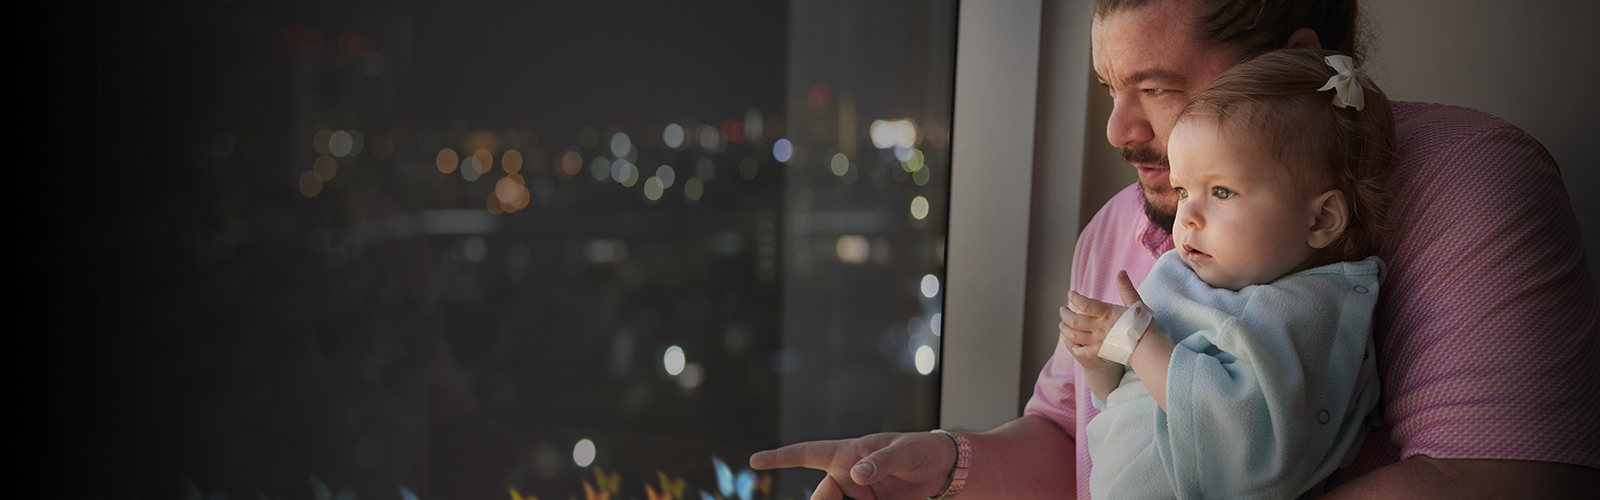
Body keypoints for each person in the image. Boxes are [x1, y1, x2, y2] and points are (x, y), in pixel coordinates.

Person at [749, 1, 1600, 499]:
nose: (1120, 129)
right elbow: (1068, 434)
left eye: (1158, 89)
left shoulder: (1471, 186)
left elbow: (1500, 480)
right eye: (1111, 90)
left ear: (1291, 64)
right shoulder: (1121, 227)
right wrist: (947, 466)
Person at [1062, 48, 1392, 499]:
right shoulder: (1185, 274)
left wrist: (1139, 344)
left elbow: (1249, 448)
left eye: (1221, 191)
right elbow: (1138, 400)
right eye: (1182, 190)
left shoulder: (1311, 312)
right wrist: (1102, 363)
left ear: (1320, 220)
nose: (1188, 216)